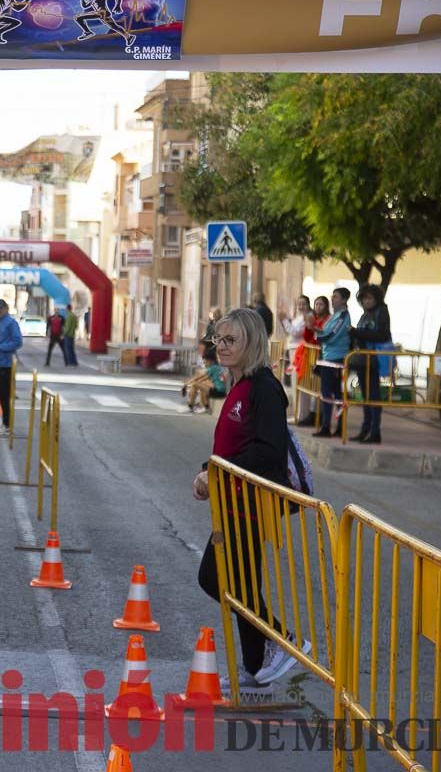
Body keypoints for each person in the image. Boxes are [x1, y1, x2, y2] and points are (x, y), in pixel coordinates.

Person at [191, 308, 310, 697]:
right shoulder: (240, 384)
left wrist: (219, 473)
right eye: (218, 340)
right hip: (231, 502)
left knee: (217, 579)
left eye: (230, 341)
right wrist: (207, 469)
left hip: (251, 504)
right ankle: (256, 665)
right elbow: (233, 445)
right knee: (238, 584)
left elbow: (268, 450)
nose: (221, 347)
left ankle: (284, 640)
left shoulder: (264, 388)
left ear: (252, 343)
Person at [349, 284, 391, 444]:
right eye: (364, 298)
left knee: (373, 396)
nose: (366, 301)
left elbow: (381, 334)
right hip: (363, 359)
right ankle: (365, 429)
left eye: (369, 298)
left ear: (376, 298)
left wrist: (356, 332)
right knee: (365, 397)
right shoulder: (366, 314)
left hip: (373, 360)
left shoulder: (381, 312)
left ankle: (375, 431)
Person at [312, 288, 352, 438]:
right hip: (328, 358)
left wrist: (316, 334)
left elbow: (330, 335)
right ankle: (332, 426)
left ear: (344, 300)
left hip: (335, 358)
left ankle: (327, 426)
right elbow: (324, 331)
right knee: (332, 393)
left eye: (336, 297)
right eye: (332, 296)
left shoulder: (343, 316)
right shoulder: (335, 315)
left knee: (331, 394)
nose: (332, 299)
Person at [0, 299, 22, 438]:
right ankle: (5, 424)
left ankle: (7, 426)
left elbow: (18, 341)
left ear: (6, 308)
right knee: (1, 396)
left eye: (1, 308)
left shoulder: (11, 323)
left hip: (6, 364)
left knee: (5, 395)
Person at [294, 296, 329, 426]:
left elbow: (322, 337)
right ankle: (312, 414)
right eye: (316, 304)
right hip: (311, 356)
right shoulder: (315, 319)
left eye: (321, 304)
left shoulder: (326, 320)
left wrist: (312, 327)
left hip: (321, 355)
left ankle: (318, 416)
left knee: (318, 388)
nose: (318, 307)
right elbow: (308, 338)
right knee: (311, 387)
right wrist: (309, 327)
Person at [181, 345, 226, 413]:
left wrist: (186, 384)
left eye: (205, 362)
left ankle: (191, 406)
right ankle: (205, 407)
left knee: (195, 384)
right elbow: (202, 378)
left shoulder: (213, 368)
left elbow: (199, 377)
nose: (204, 364)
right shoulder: (217, 367)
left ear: (211, 361)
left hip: (218, 391)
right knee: (199, 384)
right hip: (219, 390)